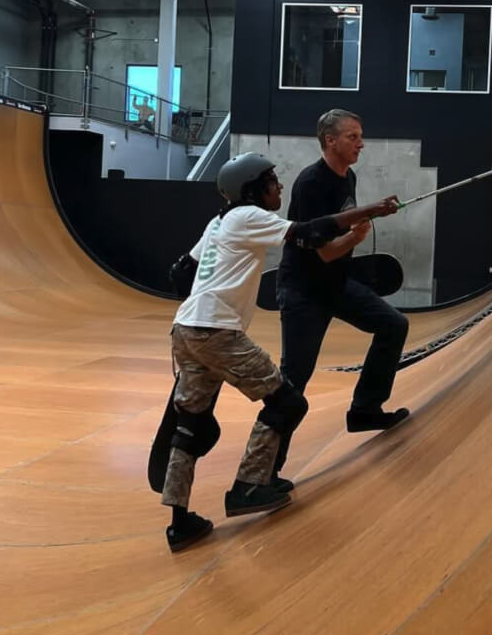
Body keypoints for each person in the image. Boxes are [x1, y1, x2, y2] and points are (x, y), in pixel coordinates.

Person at [161, 151, 400, 553]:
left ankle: (180, 523)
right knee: (287, 402)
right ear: (253, 189)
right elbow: (307, 232)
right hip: (217, 330)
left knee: (191, 426)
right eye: (272, 181)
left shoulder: (219, 221)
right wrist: (372, 210)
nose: (280, 186)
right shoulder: (248, 216)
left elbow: (180, 272)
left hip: (185, 328)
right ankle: (248, 486)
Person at [277, 109, 411, 437]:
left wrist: (356, 226)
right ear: (330, 140)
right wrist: (355, 236)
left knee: (394, 325)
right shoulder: (311, 183)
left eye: (360, 136)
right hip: (304, 291)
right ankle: (261, 476)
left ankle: (365, 410)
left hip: (335, 284)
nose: (361, 144)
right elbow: (323, 252)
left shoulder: (348, 177)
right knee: (293, 384)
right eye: (353, 137)